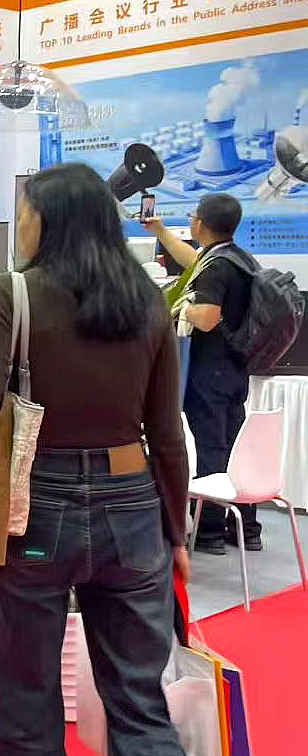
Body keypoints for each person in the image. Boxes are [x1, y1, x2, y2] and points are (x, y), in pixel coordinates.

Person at [0, 164, 195, 756]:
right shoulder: (147, 300)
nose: (20, 225)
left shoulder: (13, 295)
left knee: (26, 699)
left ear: (49, 220)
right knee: (140, 702)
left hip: (36, 507)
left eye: (25, 213)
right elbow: (167, 433)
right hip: (135, 507)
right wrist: (175, 533)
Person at [146, 195, 259, 553]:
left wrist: (181, 305)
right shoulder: (237, 259)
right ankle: (246, 528)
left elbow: (208, 317)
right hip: (235, 368)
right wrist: (160, 231)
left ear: (200, 224)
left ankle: (209, 530)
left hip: (210, 371)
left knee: (211, 446)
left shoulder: (216, 268)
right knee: (234, 445)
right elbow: (194, 261)